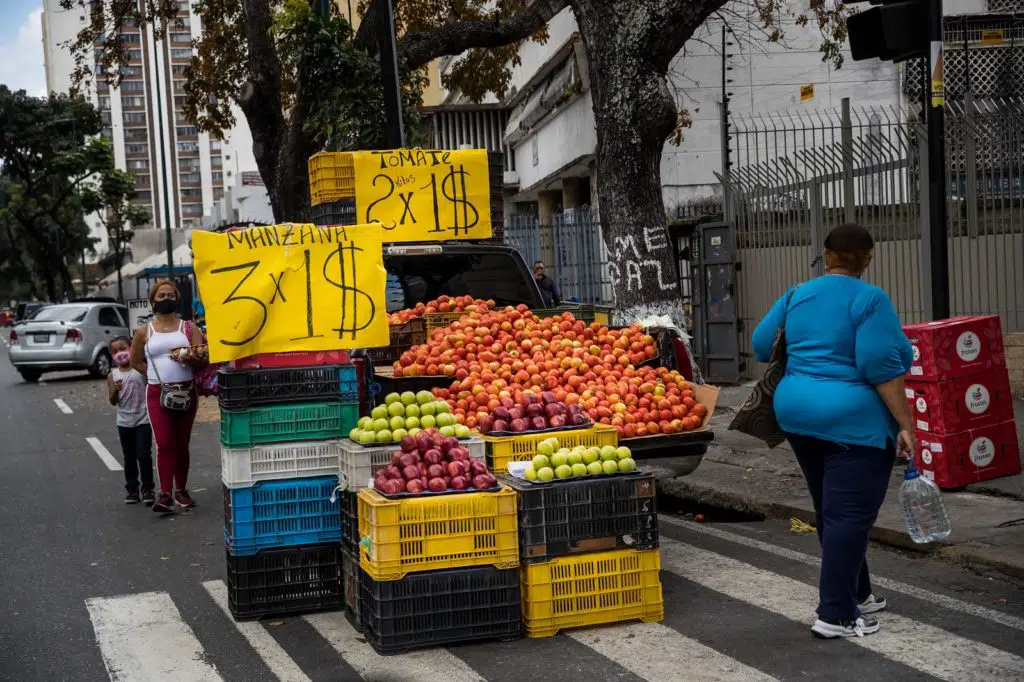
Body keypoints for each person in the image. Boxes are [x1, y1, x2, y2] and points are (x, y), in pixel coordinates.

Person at [751, 223, 914, 640]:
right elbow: (880, 366)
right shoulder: (870, 299)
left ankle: (859, 592)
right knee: (848, 515)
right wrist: (905, 425)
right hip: (852, 421)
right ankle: (836, 614)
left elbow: (760, 343)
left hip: (799, 416)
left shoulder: (797, 295)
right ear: (868, 260)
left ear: (826, 257)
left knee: (833, 509)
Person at [130, 279, 207, 514]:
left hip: (185, 392)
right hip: (157, 393)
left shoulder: (189, 328)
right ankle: (164, 495)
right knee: (164, 443)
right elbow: (134, 361)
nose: (166, 299)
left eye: (170, 295)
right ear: (153, 301)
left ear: (177, 299)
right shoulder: (145, 331)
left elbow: (203, 357)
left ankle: (181, 490)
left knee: (182, 443)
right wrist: (154, 376)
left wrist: (189, 359)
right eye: (161, 296)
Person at [108, 335, 154, 505]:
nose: (120, 353)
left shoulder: (141, 370)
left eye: (123, 348)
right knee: (129, 457)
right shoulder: (112, 375)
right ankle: (132, 489)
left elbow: (151, 387)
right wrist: (114, 390)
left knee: (144, 455)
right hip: (124, 423)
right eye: (115, 351)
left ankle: (148, 489)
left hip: (144, 420)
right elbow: (113, 401)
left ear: (131, 349)